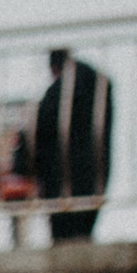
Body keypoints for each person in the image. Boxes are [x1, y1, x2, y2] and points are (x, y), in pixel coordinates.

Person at [34, 46, 113, 243]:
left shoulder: (56, 95)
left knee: (64, 235)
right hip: (94, 173)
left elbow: (41, 134)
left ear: (54, 67)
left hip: (61, 180)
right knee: (83, 229)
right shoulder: (98, 83)